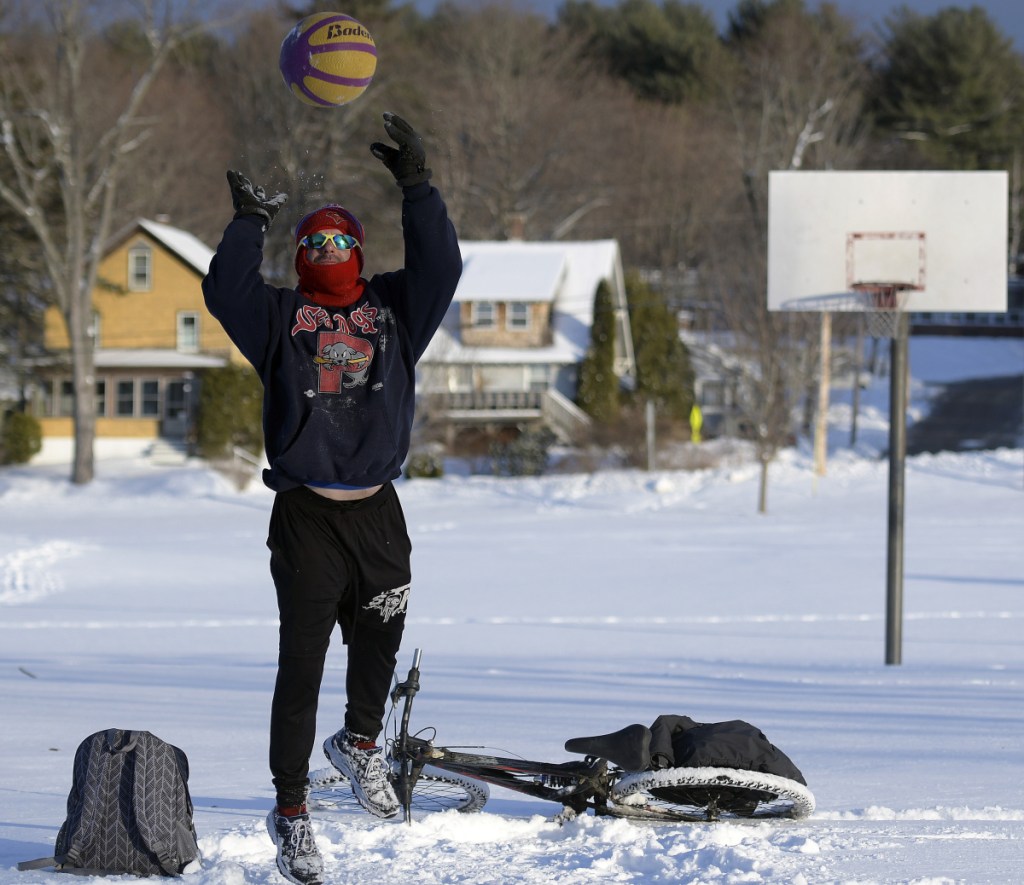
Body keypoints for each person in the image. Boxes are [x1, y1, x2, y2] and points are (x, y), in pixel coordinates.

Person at [202, 112, 462, 885]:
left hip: (379, 512)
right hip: (308, 517)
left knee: (381, 641)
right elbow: (224, 290)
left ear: (360, 251)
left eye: (341, 240)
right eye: (312, 242)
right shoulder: (280, 318)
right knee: (302, 666)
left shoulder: (394, 309)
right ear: (298, 255)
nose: (327, 251)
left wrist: (417, 187)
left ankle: (360, 742)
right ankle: (291, 812)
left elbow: (442, 266)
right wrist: (249, 221)